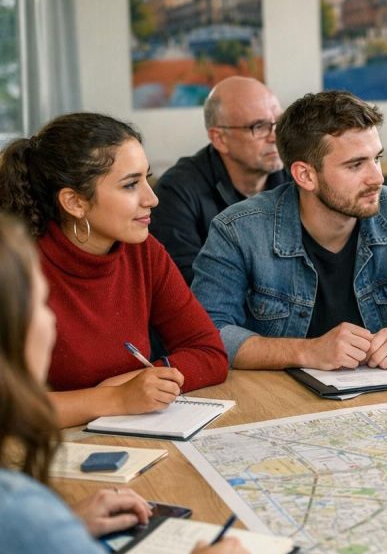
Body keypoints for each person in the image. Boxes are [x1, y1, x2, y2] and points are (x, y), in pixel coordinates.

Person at [0, 214, 255, 554]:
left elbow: (208, 349)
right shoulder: (17, 513)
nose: (50, 321)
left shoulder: (142, 251)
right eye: (39, 305)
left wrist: (61, 527)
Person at [191, 90, 387, 370]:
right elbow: (206, 334)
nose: (377, 177)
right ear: (305, 175)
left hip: (386, 390)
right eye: (356, 165)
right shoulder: (237, 231)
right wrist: (307, 351)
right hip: (279, 394)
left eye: (377, 158)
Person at [0, 113, 228, 427]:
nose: (152, 198)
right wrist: (114, 398)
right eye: (131, 184)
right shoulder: (13, 266)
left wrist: (141, 382)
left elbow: (209, 352)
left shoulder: (143, 250)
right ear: (75, 202)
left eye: (147, 178)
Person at [151, 76, 289, 284]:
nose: (275, 136)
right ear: (219, 139)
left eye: (279, 122)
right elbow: (189, 285)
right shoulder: (177, 191)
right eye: (259, 126)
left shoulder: (297, 176)